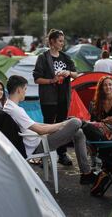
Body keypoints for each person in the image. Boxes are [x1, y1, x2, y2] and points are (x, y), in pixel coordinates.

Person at [4, 75, 96, 184]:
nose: (25, 92)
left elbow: (35, 125)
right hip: (38, 145)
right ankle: (91, 127)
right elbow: (40, 130)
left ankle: (86, 174)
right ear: (19, 90)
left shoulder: (9, 106)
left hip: (37, 140)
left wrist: (60, 125)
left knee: (79, 132)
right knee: (75, 122)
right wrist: (64, 124)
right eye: (25, 89)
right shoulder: (15, 110)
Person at [33, 29, 77, 166]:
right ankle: (45, 155)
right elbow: (37, 79)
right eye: (60, 41)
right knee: (48, 125)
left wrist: (68, 72)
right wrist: (52, 80)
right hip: (49, 97)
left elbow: (76, 74)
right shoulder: (43, 57)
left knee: (62, 126)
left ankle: (62, 154)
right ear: (52, 42)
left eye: (63, 41)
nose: (62, 43)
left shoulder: (65, 57)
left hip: (63, 96)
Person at [82, 76, 112, 167]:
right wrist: (104, 121)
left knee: (86, 127)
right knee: (87, 131)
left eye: (110, 84)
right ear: (101, 87)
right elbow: (94, 119)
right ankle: (94, 156)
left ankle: (96, 156)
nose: (108, 87)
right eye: (105, 85)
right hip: (100, 128)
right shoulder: (97, 101)